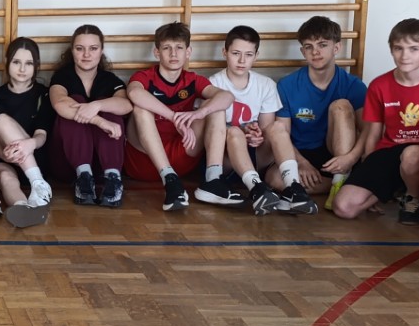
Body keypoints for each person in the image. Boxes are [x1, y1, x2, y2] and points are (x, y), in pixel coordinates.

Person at [329, 18, 419, 224]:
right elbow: (373, 133)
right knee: (344, 207)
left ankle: (413, 200)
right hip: (390, 150)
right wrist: (371, 177)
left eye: (413, 49)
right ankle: (397, 188)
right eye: (398, 48)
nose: (405, 55)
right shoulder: (379, 85)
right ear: (391, 49)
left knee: (412, 155)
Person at [125, 22, 233, 211]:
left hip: (182, 154)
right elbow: (134, 93)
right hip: (143, 158)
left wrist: (200, 112)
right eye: (167, 48)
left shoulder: (192, 80)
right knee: (140, 108)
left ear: (188, 52)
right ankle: (169, 179)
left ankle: (213, 180)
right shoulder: (145, 76)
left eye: (179, 48)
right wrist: (174, 117)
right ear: (157, 52)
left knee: (215, 107)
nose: (173, 54)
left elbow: (227, 96)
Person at [268, 16, 366, 204]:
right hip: (301, 153)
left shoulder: (353, 85)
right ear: (302, 52)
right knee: (274, 179)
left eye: (322, 45)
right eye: (309, 46)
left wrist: (350, 158)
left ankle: (341, 177)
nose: (315, 52)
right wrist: (301, 163)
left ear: (336, 47)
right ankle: (344, 187)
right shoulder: (287, 85)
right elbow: (282, 134)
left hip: (338, 152)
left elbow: (369, 130)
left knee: (341, 105)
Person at [196, 26, 291, 215]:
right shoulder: (213, 84)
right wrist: (240, 131)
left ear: (256, 56)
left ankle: (293, 189)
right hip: (226, 159)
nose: (241, 60)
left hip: (256, 155)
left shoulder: (265, 85)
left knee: (277, 128)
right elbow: (210, 131)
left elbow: (266, 129)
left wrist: (256, 135)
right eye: (236, 53)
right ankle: (256, 188)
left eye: (248, 55)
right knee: (233, 132)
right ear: (225, 52)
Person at [47, 25, 130, 208]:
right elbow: (60, 104)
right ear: (72, 51)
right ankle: (83, 178)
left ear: (101, 51)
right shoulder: (62, 78)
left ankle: (113, 178)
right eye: (80, 48)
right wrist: (99, 121)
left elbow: (126, 105)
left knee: (109, 105)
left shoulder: (110, 80)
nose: (86, 54)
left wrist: (98, 106)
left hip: (102, 163)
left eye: (93, 48)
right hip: (67, 164)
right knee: (75, 101)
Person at [0, 36, 54, 228]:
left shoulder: (44, 94)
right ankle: (23, 208)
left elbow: (42, 135)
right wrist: (6, 156)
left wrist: (27, 145)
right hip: (4, 158)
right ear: (7, 62)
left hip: (33, 160)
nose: (22, 69)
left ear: (36, 65)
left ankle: (38, 183)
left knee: (2, 119)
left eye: (29, 63)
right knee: (5, 178)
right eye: (17, 62)